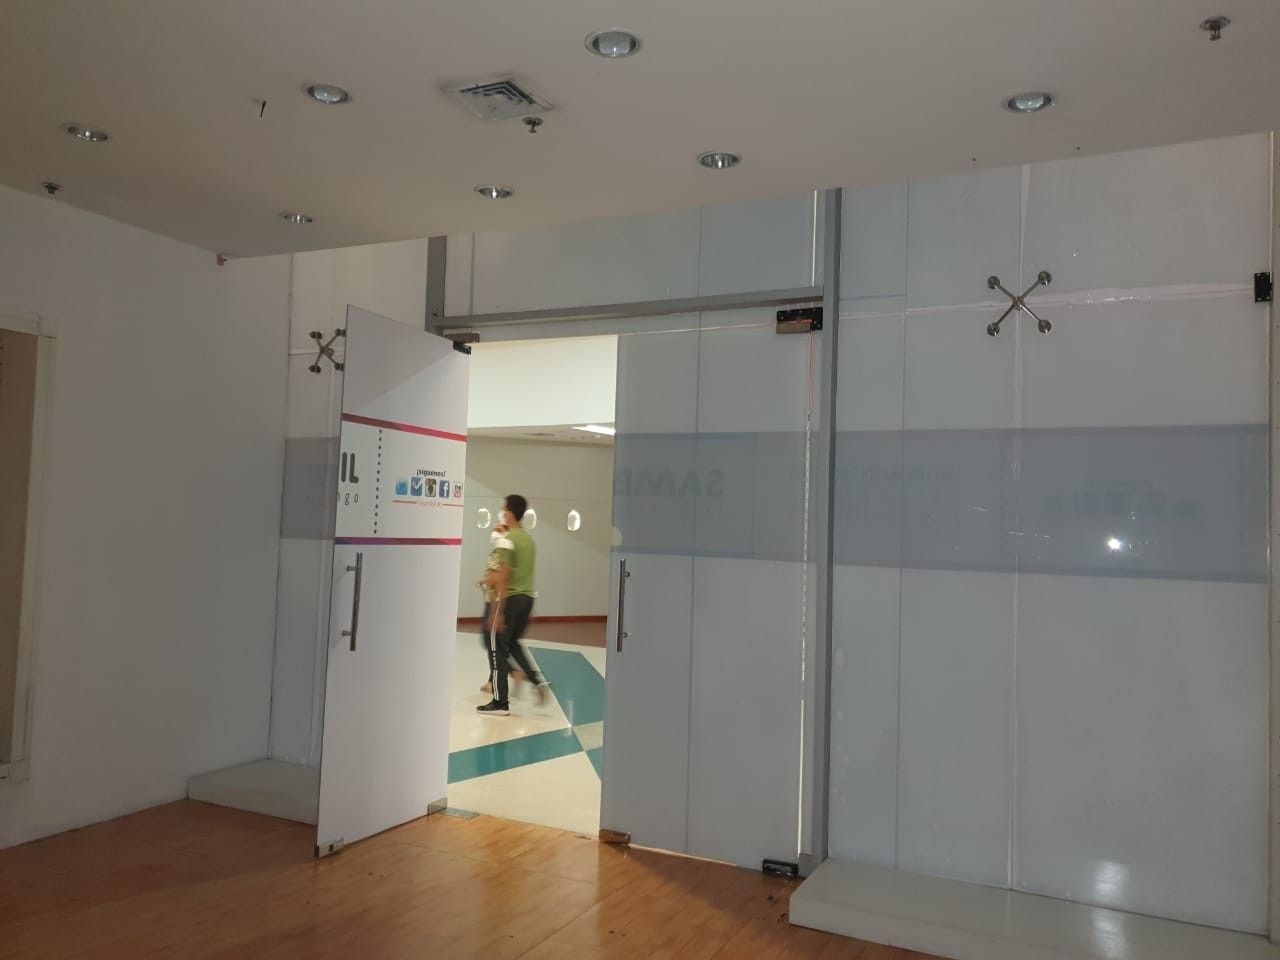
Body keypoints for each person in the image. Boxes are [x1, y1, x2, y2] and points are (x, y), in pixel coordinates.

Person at [477, 494, 549, 716]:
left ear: (509, 513)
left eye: (503, 510)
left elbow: (503, 576)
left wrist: (496, 612)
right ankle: (536, 679)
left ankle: (500, 702)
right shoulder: (529, 540)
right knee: (513, 643)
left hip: (509, 599)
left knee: (497, 649)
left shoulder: (507, 539)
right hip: (527, 598)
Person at [477, 522, 523, 695]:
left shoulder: (503, 552)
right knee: (490, 642)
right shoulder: (497, 552)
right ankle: (506, 674)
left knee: (492, 643)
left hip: (495, 603)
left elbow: (500, 578)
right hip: (491, 600)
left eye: (498, 529)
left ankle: (501, 678)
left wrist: (486, 581)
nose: (494, 532)